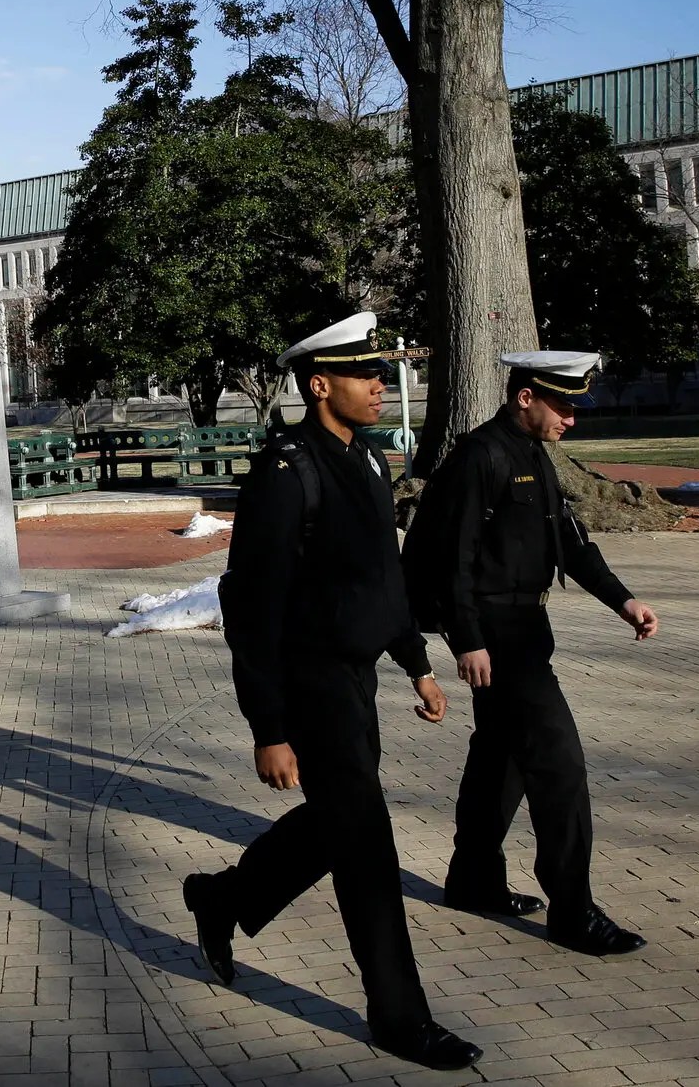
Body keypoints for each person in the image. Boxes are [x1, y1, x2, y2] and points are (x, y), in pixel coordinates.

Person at [183, 311, 483, 1074]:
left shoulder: (370, 459)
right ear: (320, 385)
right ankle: (400, 1015)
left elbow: (385, 578)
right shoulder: (286, 473)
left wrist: (416, 662)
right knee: (366, 846)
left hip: (356, 681)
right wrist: (268, 727)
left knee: (337, 824)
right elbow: (251, 608)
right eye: (364, 374)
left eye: (381, 372)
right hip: (308, 683)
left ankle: (224, 898)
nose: (381, 385)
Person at [401, 350, 659, 957]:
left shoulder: (534, 454)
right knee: (559, 765)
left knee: (501, 757)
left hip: (523, 627)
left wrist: (623, 601)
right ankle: (573, 910)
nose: (571, 418)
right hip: (496, 636)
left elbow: (571, 542)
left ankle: (473, 879)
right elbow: (453, 558)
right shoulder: (480, 456)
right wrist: (467, 638)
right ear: (525, 398)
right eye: (562, 405)